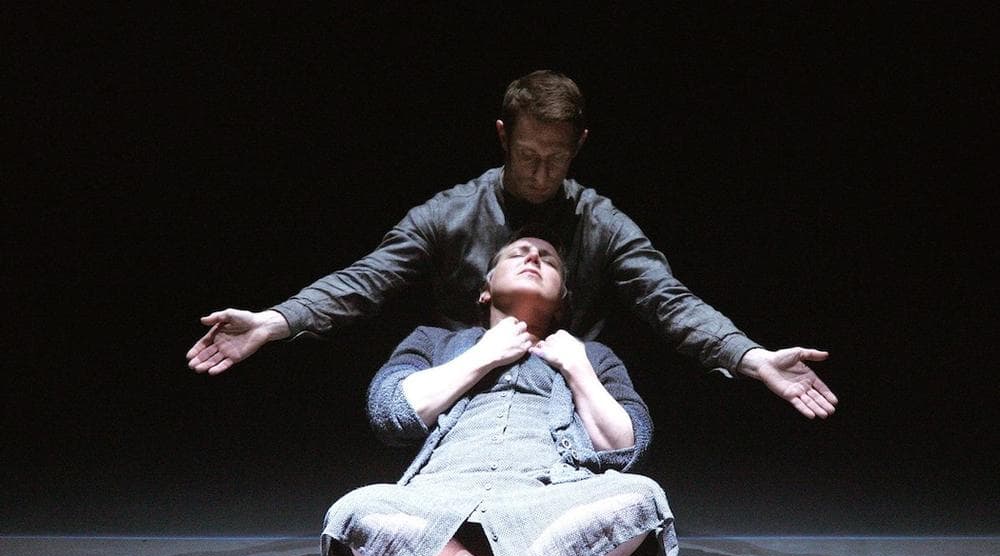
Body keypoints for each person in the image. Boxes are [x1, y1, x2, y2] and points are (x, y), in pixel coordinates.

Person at [186, 70, 838, 420]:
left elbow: (670, 302)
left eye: (556, 158)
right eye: (527, 154)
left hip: (561, 390)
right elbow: (366, 279)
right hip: (459, 383)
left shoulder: (601, 223)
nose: (539, 173)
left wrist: (751, 358)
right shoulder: (449, 213)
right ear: (503, 136)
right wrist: (273, 322)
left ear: (579, 147)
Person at [323, 232, 678, 556]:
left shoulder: (593, 356)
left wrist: (578, 370)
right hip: (439, 504)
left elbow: (625, 449)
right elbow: (390, 411)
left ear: (563, 298)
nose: (532, 256)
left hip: (550, 509)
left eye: (548, 258)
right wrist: (483, 355)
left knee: (641, 499)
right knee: (355, 511)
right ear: (485, 290)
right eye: (517, 253)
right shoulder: (435, 342)